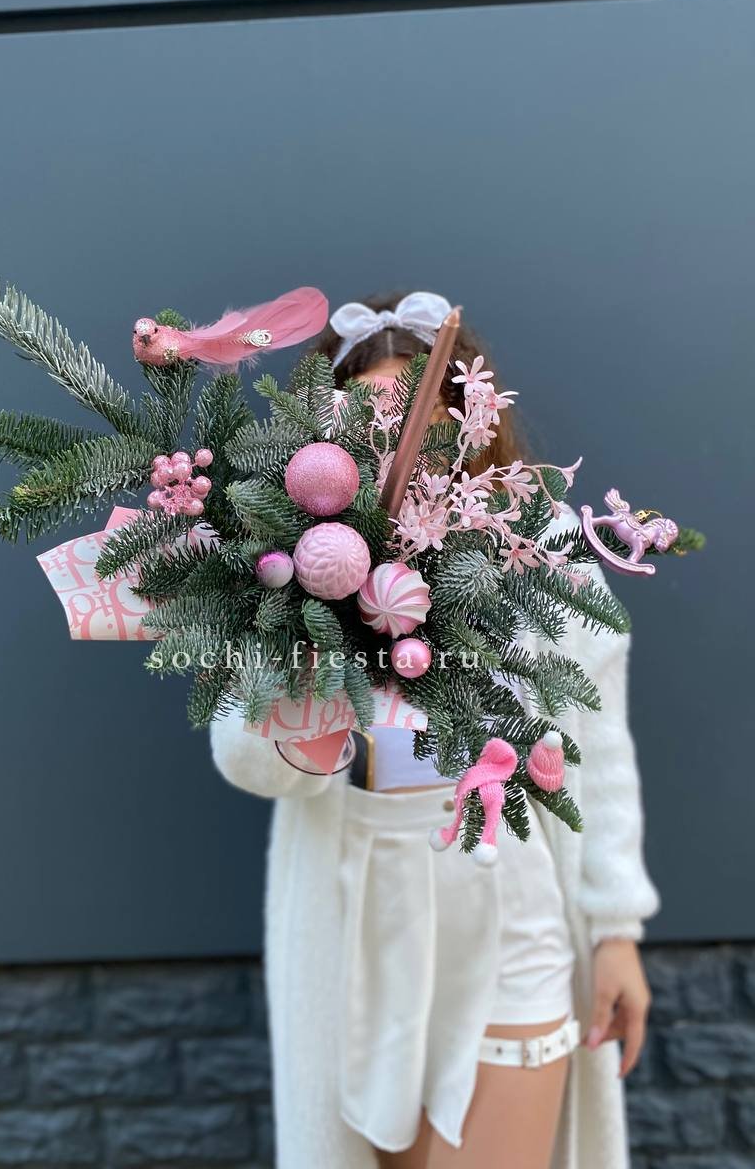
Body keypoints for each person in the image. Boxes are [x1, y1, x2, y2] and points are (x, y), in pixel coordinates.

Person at [210, 290, 659, 1169]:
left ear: (467, 416)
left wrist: (616, 930)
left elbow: (600, 750)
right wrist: (316, 636)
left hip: (512, 914)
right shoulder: (294, 563)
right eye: (362, 414)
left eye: (414, 410)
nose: (393, 435)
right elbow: (249, 761)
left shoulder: (542, 548)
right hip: (359, 923)